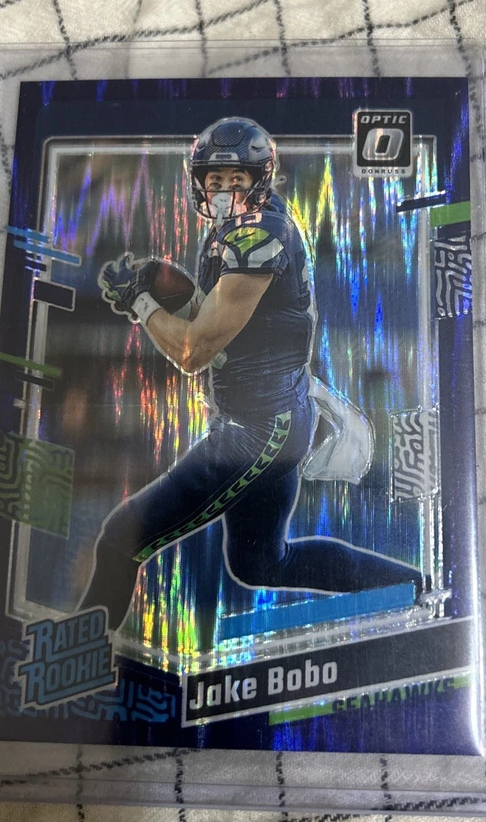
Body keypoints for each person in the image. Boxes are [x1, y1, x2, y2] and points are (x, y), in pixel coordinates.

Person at [80, 117, 422, 631]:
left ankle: (82, 656)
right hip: (278, 415)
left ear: (259, 178)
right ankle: (417, 590)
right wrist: (159, 288)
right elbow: (221, 317)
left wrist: (142, 303)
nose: (222, 190)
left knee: (120, 538)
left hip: (257, 431)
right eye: (213, 179)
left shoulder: (257, 236)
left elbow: (193, 350)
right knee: (261, 563)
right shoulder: (245, 226)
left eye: (235, 178)